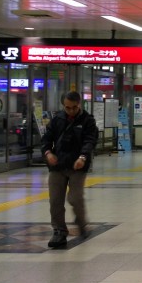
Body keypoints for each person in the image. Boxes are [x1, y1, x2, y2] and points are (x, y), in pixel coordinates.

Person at [41, 91, 99, 248]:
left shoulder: (88, 120)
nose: (71, 111)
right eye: (67, 108)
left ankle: (81, 222)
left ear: (79, 104)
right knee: (55, 201)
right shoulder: (57, 119)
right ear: (63, 106)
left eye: (74, 107)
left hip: (77, 166)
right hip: (57, 166)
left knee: (75, 198)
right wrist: (48, 153)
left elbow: (90, 140)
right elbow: (46, 139)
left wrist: (83, 157)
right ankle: (59, 231)